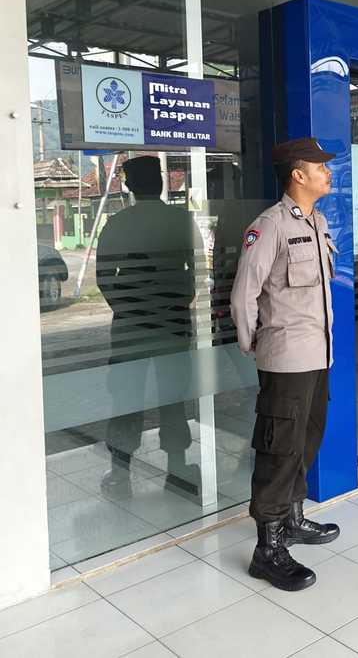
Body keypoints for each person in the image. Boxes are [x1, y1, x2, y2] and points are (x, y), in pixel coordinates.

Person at [230, 137, 341, 592]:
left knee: (306, 441)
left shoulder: (318, 222)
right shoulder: (270, 226)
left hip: (318, 354)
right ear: (298, 174)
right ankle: (268, 549)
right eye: (320, 166)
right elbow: (244, 294)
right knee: (278, 451)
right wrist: (255, 344)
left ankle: (293, 519)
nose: (327, 172)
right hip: (286, 358)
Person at [96, 155, 202, 499]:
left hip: (131, 328)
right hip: (173, 323)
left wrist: (128, 309)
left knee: (126, 397)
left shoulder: (117, 224)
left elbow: (104, 277)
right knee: (173, 396)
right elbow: (198, 268)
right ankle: (177, 468)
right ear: (159, 183)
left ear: (129, 185)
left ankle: (120, 473)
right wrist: (179, 300)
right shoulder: (181, 220)